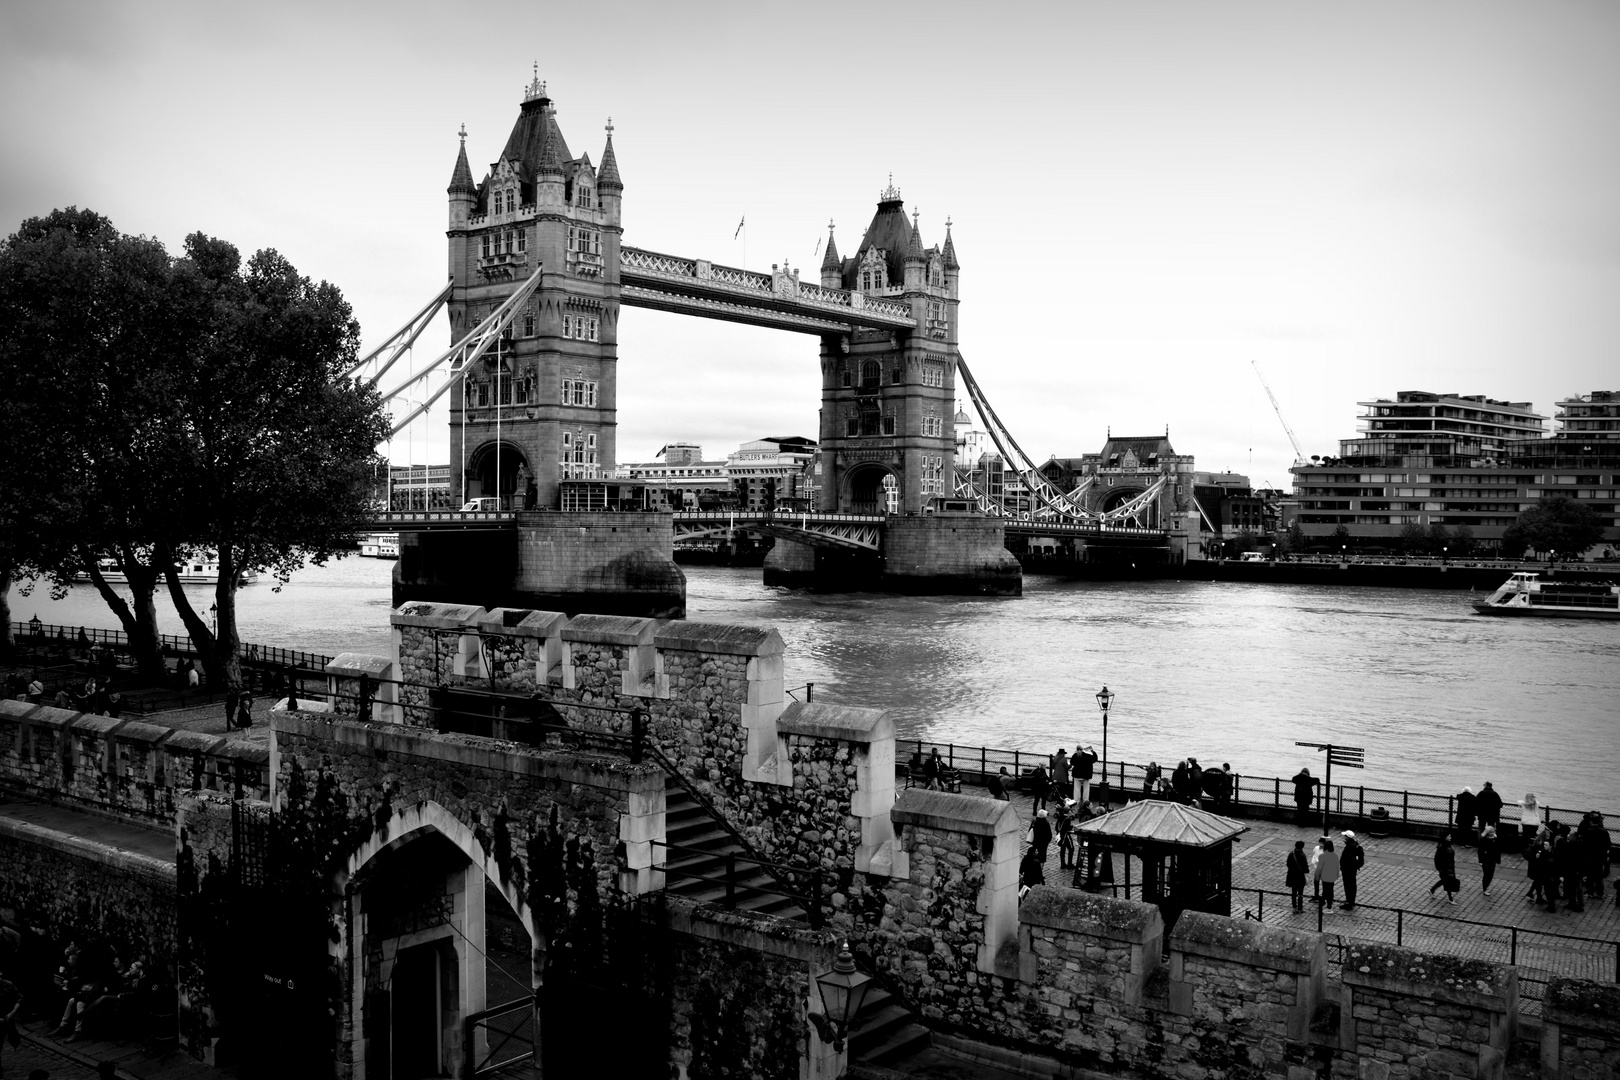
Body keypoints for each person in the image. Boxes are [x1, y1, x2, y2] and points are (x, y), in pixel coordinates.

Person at [1429, 833, 1459, 904]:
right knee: (1447, 881)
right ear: (1445, 837)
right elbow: (1437, 858)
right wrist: (1440, 868)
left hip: (1449, 867)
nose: (1450, 837)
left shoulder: (1448, 844)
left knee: (1444, 881)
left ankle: (1432, 890)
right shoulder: (1442, 846)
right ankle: (1450, 898)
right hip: (1445, 868)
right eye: (1449, 836)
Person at [1339, 830, 1365, 909]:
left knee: (1348, 885)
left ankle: (1349, 902)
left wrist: (1343, 866)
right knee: (1352, 884)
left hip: (1347, 869)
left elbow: (1346, 859)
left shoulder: (1349, 847)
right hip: (1352, 869)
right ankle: (1351, 901)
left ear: (1347, 838)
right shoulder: (1355, 845)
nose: (1343, 837)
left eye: (1344, 836)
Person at [1314, 837, 1341, 910]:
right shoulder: (1335, 855)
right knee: (1330, 890)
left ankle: (1326, 905)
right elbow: (1337, 866)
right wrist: (1336, 875)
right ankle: (1329, 904)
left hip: (1325, 876)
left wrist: (1317, 877)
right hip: (1332, 877)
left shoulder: (1322, 856)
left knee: (1325, 890)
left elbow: (1319, 868)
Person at [1477, 824, 1500, 897]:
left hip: (1492, 859)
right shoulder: (1484, 839)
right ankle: (1485, 888)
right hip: (1485, 859)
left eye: (1493, 831)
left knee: (1491, 874)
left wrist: (1498, 860)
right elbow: (1480, 851)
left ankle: (1487, 886)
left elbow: (1498, 850)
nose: (1492, 833)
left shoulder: (1495, 839)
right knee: (1486, 873)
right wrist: (1480, 861)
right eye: (1490, 832)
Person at [1286, 840, 1309, 911]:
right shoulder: (1302, 855)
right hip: (1299, 876)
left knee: (1294, 891)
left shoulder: (1291, 853)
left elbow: (1288, 864)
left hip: (1292, 875)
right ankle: (1300, 906)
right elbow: (1305, 867)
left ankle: (1294, 905)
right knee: (1300, 892)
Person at [1056, 799, 1076, 870]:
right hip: (1066, 836)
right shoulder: (1067, 819)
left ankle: (1063, 864)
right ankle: (1069, 864)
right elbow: (1067, 828)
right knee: (1071, 849)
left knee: (1063, 849)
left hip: (1060, 835)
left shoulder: (1060, 817)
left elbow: (1057, 827)